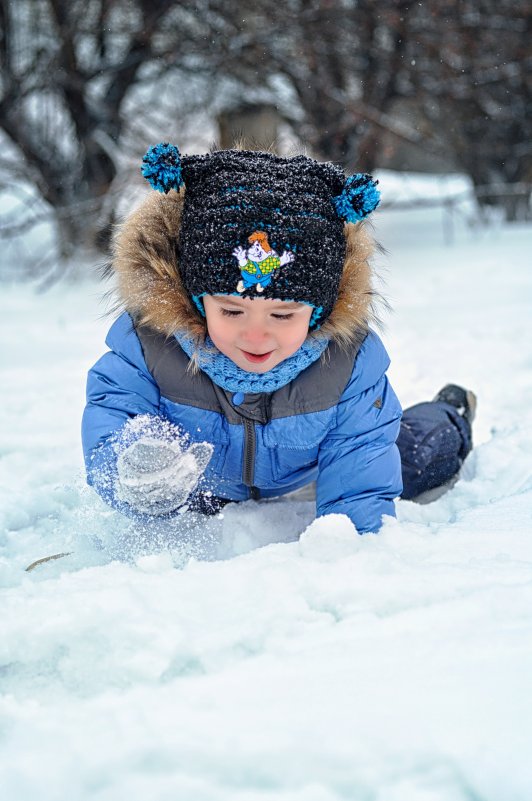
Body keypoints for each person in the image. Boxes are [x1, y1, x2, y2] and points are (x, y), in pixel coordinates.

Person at [82, 144, 475, 534]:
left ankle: (450, 412)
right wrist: (137, 466)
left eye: (283, 315)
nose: (255, 335)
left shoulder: (345, 362)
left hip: (314, 471)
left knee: (409, 456)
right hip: (202, 482)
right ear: (196, 301)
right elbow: (116, 414)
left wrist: (351, 547)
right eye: (232, 311)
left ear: (318, 311)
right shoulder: (149, 346)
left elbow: (360, 465)